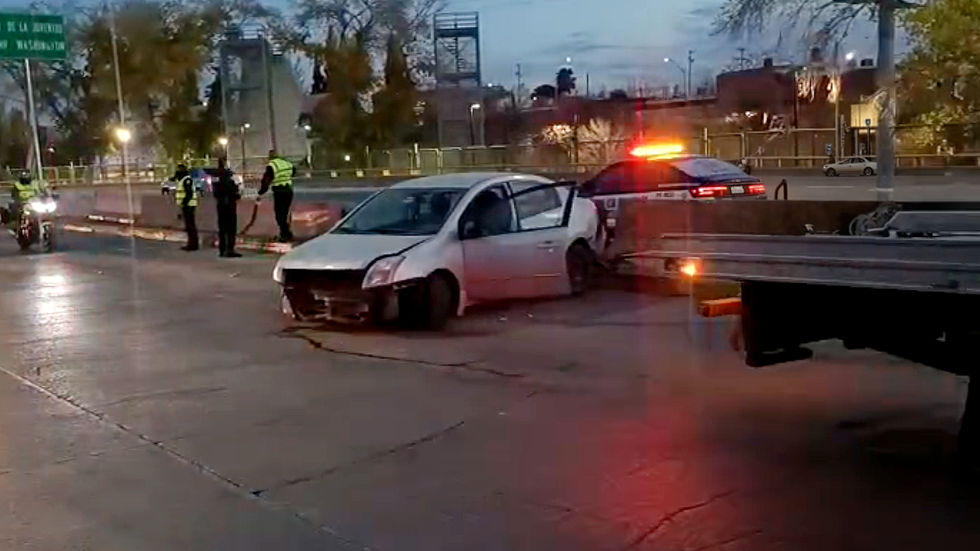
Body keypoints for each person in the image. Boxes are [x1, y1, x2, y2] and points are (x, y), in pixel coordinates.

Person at [258, 150, 295, 242]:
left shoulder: (272, 165)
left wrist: (261, 192)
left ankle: (286, 234)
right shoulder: (286, 163)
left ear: (270, 157)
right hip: (289, 190)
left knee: (279, 215)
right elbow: (293, 171)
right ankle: (285, 233)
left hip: (279, 192)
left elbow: (266, 180)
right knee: (284, 214)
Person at [212, 157, 241, 258]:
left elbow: (215, 191)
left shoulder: (215, 175)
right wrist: (236, 194)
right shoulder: (229, 175)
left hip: (220, 204)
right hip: (229, 204)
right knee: (231, 228)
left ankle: (222, 249)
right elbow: (233, 189)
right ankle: (230, 249)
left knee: (222, 228)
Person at [172, 163, 198, 251]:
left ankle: (193, 244)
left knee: (190, 226)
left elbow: (189, 193)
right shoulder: (182, 180)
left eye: (179, 169)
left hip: (189, 205)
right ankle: (191, 243)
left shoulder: (187, 180)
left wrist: (184, 203)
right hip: (186, 205)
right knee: (189, 226)